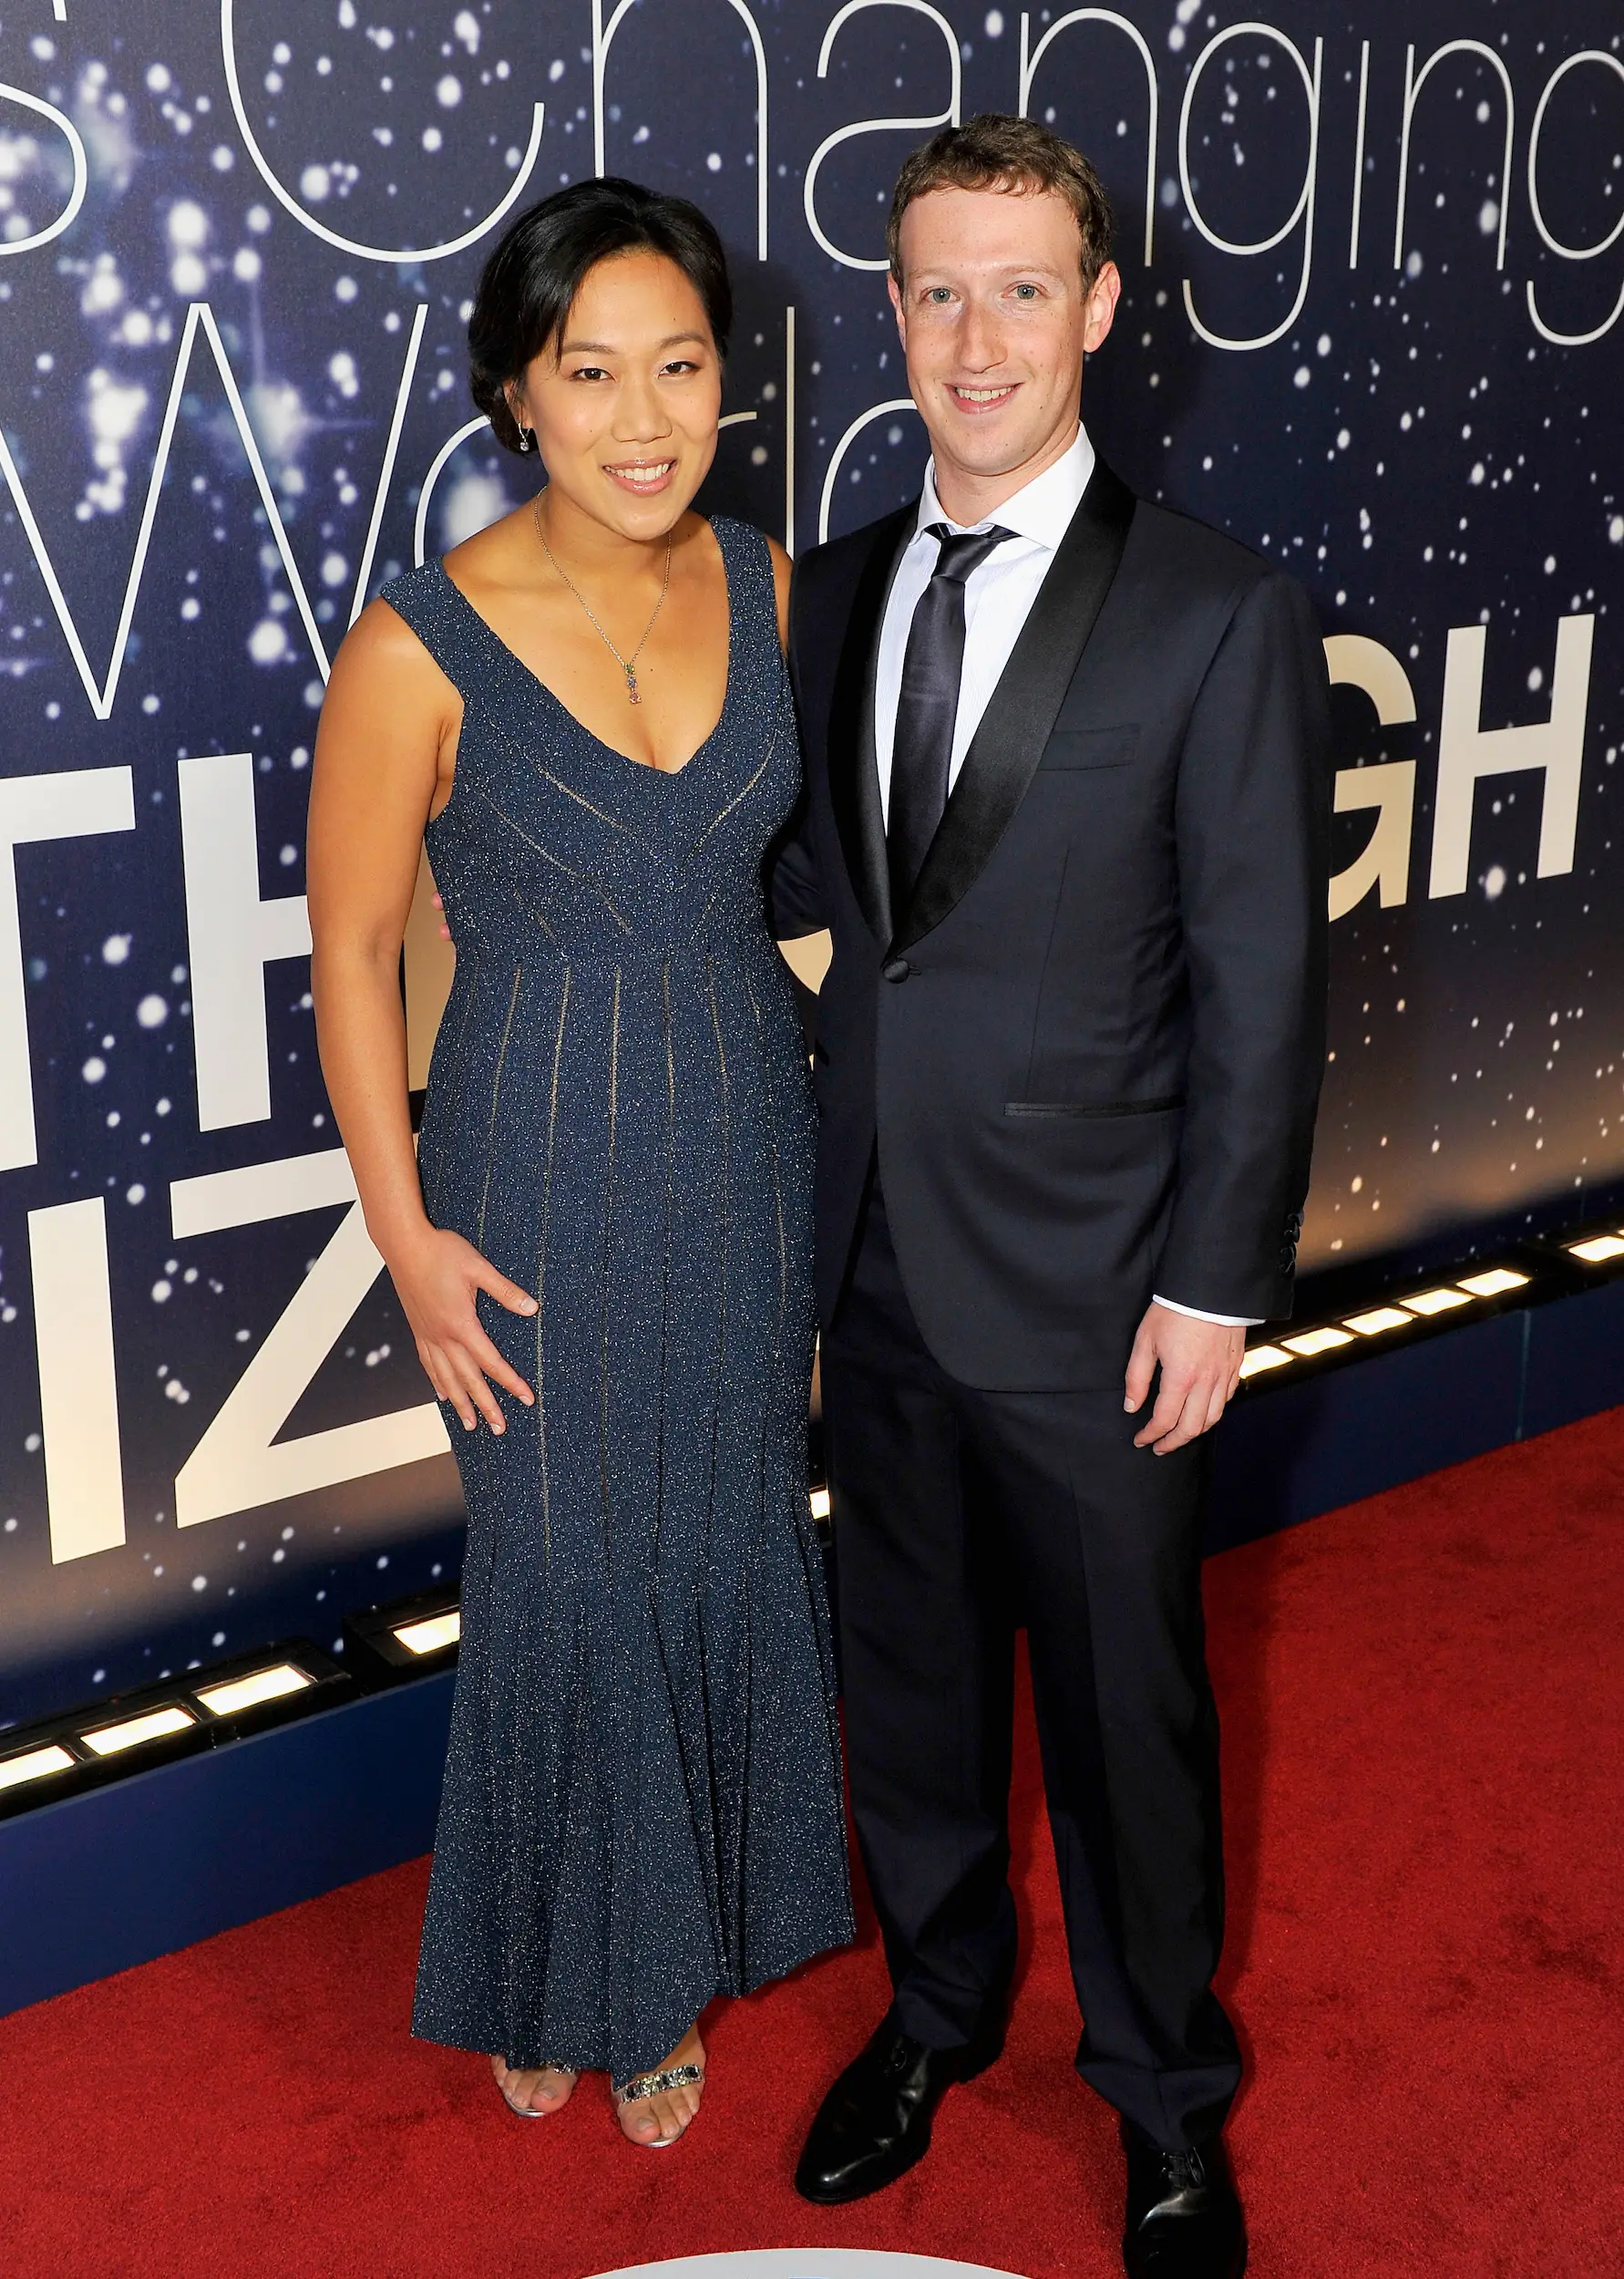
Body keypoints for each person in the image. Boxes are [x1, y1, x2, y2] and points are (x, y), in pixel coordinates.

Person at [772, 116, 1331, 2276]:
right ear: (891, 310)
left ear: (1101, 309)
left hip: (1111, 1296)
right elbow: (842, 902)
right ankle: (931, 2014)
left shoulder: (1217, 611)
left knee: (1126, 1727)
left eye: (1024, 287)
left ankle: (1166, 2096)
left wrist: (1217, 1283)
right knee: (905, 1688)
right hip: (880, 1268)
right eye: (938, 287)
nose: (977, 335)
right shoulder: (833, 582)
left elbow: (1262, 984)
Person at [308, 178, 851, 2151]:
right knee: (564, 1576)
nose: (645, 416)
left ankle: (656, 1967)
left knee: (716, 1548)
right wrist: (407, 1237)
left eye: (683, 365)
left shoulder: (774, 587)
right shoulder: (415, 648)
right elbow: (354, 956)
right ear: (517, 395)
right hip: (530, 1168)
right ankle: (567, 1967)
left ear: (727, 379)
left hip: (742, 1135)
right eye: (592, 371)